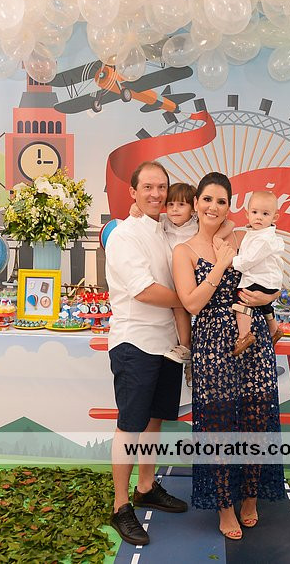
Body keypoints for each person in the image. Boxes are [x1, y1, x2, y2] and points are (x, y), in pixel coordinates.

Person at [171, 172, 285, 540]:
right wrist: (221, 263)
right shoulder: (184, 251)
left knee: (257, 418)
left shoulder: (242, 238)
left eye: (221, 201)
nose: (213, 207)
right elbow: (192, 303)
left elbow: (268, 277)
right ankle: (224, 505)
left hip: (253, 337)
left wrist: (270, 297)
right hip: (211, 343)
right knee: (218, 426)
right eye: (207, 199)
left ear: (230, 206)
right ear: (195, 203)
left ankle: (250, 497)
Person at [104, 161, 188, 547]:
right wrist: (188, 300)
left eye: (162, 188)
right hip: (134, 342)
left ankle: (145, 487)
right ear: (133, 193)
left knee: (154, 421)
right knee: (130, 425)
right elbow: (143, 290)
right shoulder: (124, 235)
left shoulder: (165, 229)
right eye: (148, 187)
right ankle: (121, 506)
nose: (156, 194)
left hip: (167, 344)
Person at [129, 183, 234, 380]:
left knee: (186, 308)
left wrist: (218, 238)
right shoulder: (164, 222)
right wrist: (136, 207)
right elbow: (145, 216)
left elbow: (229, 224)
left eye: (181, 205)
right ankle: (186, 348)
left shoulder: (197, 223)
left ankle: (188, 351)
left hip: (190, 279)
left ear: (193, 207)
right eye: (170, 204)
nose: (175, 210)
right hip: (169, 278)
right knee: (178, 309)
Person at [230, 190, 285, 356]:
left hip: (262, 280)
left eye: (265, 214)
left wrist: (232, 262)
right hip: (268, 281)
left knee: (242, 300)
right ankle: (274, 330)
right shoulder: (256, 233)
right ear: (247, 214)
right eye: (255, 212)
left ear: (275, 217)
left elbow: (249, 260)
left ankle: (244, 335)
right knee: (265, 305)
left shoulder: (264, 239)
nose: (259, 217)